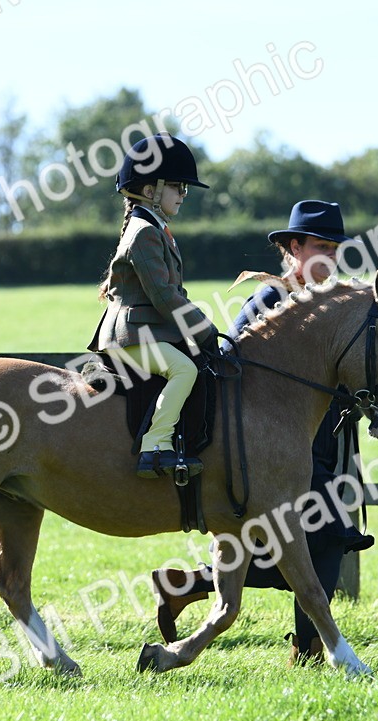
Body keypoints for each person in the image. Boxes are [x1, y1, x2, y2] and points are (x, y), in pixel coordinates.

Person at [150, 200, 375, 663]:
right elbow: (230, 365)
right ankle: (309, 647)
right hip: (273, 452)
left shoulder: (331, 304)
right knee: (324, 540)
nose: (329, 258)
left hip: (322, 445)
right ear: (293, 248)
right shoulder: (270, 300)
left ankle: (192, 585)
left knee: (318, 541)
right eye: (320, 247)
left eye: (335, 249)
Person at [88, 133, 219, 478]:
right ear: (150, 191)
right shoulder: (144, 232)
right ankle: (155, 446)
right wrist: (203, 328)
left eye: (184, 189)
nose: (184, 195)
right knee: (184, 369)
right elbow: (164, 295)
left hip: (148, 332)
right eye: (178, 187)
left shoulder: (154, 228)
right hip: (131, 336)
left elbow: (174, 292)